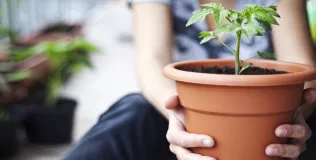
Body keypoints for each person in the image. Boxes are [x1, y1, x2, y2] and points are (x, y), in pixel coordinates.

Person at [62, 0, 316, 159]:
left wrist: (294, 115)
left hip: (270, 124)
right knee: (134, 110)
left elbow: (303, 71)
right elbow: (151, 59)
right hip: (184, 114)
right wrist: (180, 118)